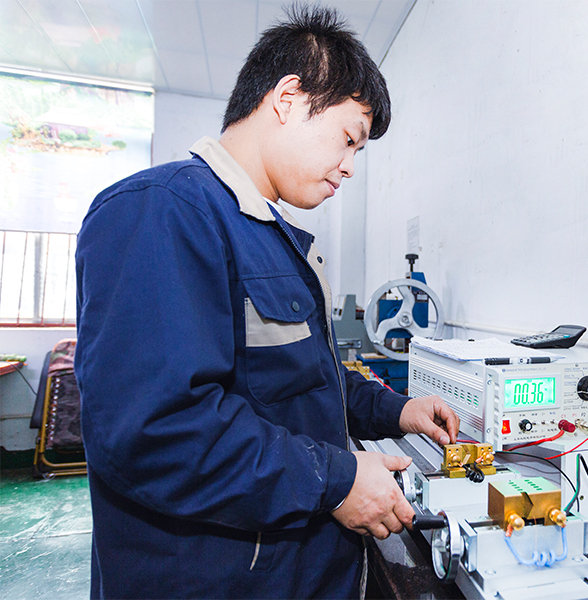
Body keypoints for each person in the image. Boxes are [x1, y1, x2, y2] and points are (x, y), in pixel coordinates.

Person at [74, 6, 459, 599]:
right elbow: (156, 433)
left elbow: (299, 382)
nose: (349, 168)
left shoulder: (270, 237)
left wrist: (396, 411)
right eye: (348, 140)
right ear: (288, 99)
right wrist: (335, 481)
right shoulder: (161, 211)